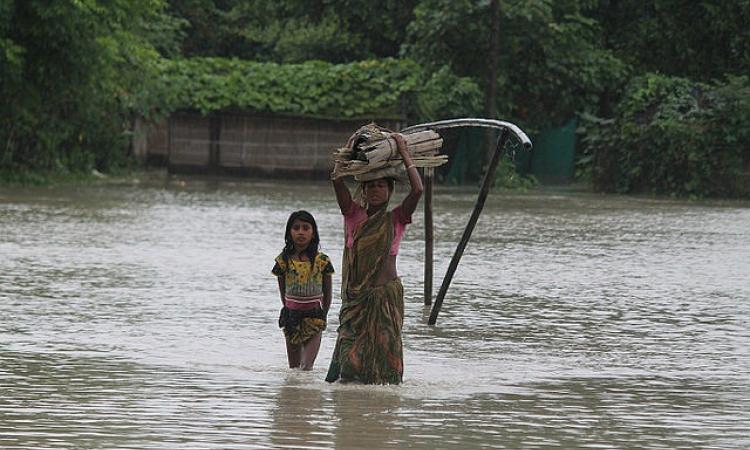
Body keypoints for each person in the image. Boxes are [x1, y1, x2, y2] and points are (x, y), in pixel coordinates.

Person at [326, 132, 423, 384]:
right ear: (364, 190)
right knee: (350, 362)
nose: (376, 191)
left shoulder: (397, 218)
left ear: (390, 190)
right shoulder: (352, 214)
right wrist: (347, 149)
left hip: (385, 299)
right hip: (356, 301)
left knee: (386, 363)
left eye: (381, 185)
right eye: (370, 186)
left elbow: (418, 189)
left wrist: (403, 151)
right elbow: (337, 180)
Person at [272, 210, 334, 370]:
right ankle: (294, 394)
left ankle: (306, 393)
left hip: (314, 316)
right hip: (291, 317)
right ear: (289, 232)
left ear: (313, 233)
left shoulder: (322, 261)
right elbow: (283, 290)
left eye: (306, 228)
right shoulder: (283, 261)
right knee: (293, 369)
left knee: (306, 367)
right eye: (296, 228)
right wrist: (287, 309)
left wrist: (324, 314)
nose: (301, 232)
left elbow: (328, 292)